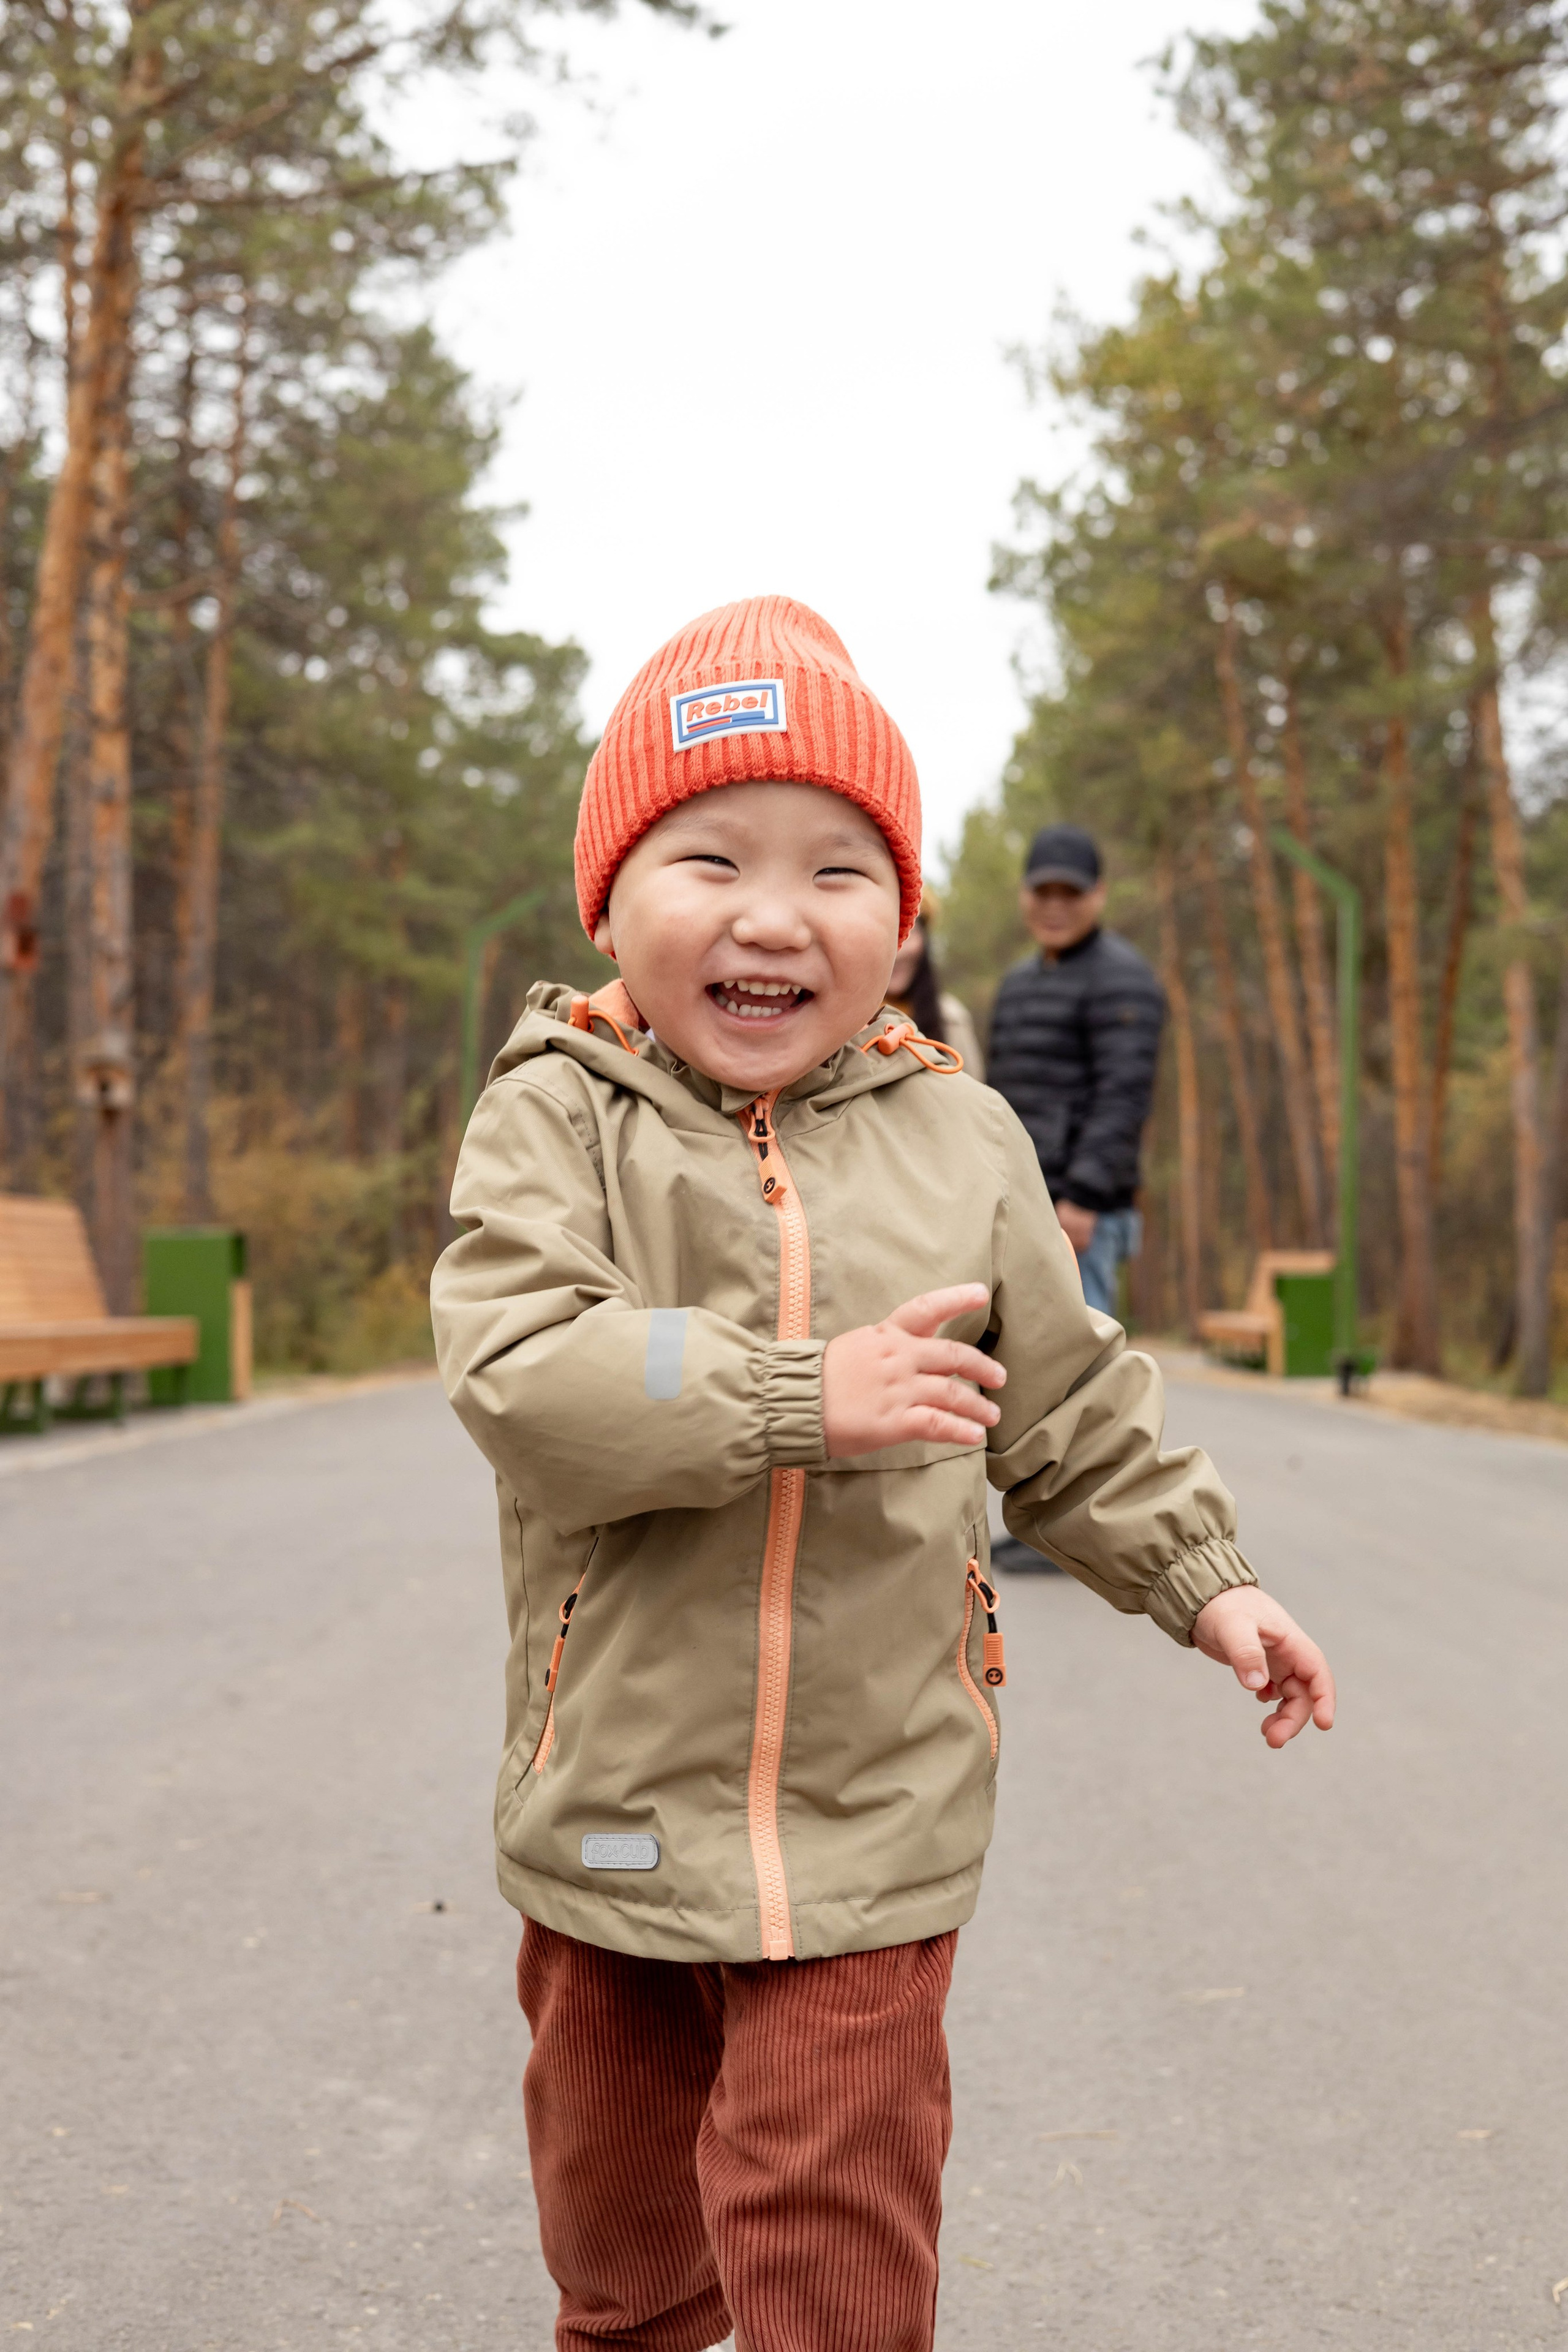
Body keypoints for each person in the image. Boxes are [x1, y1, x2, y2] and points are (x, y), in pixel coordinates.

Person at [430, 597, 1335, 2352]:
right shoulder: (560, 1114)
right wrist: (794, 1393)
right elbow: (523, 1365)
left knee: (834, 2243)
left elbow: (1069, 1408)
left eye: (841, 872)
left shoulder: (962, 1139)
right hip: (613, 1799)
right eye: (710, 859)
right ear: (608, 901)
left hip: (877, 1813)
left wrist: (1211, 1578)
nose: (773, 914)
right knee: (618, 2250)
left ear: (905, 925)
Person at [987, 823, 1165, 1318]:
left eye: (1071, 892)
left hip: (1081, 1214)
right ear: (1024, 895)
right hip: (1021, 1203)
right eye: (1043, 892)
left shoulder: (1124, 979)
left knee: (1080, 1360)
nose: (1055, 905)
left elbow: (1124, 1097)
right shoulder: (1018, 982)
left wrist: (1084, 1199)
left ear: (1100, 894)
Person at [884, 892, 983, 1076]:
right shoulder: (842, 1021)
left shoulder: (950, 1019)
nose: (898, 953)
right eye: (888, 934)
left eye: (907, 933)